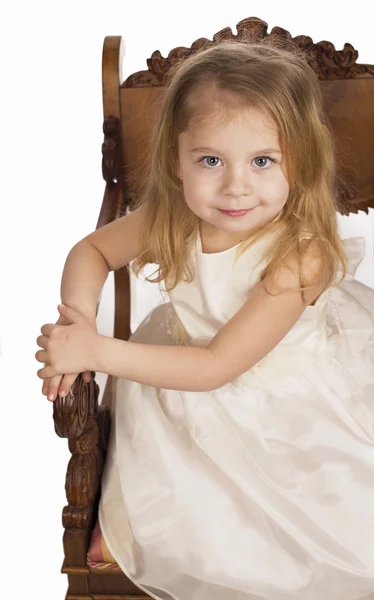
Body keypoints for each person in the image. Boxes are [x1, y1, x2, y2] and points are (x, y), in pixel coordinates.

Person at [35, 40, 374, 600]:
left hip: (285, 395)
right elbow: (90, 253)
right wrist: (79, 327)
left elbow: (219, 366)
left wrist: (96, 353)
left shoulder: (300, 252)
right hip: (182, 379)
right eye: (211, 160)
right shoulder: (173, 213)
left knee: (321, 526)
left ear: (302, 160)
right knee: (182, 503)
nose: (236, 185)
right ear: (177, 158)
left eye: (263, 160)